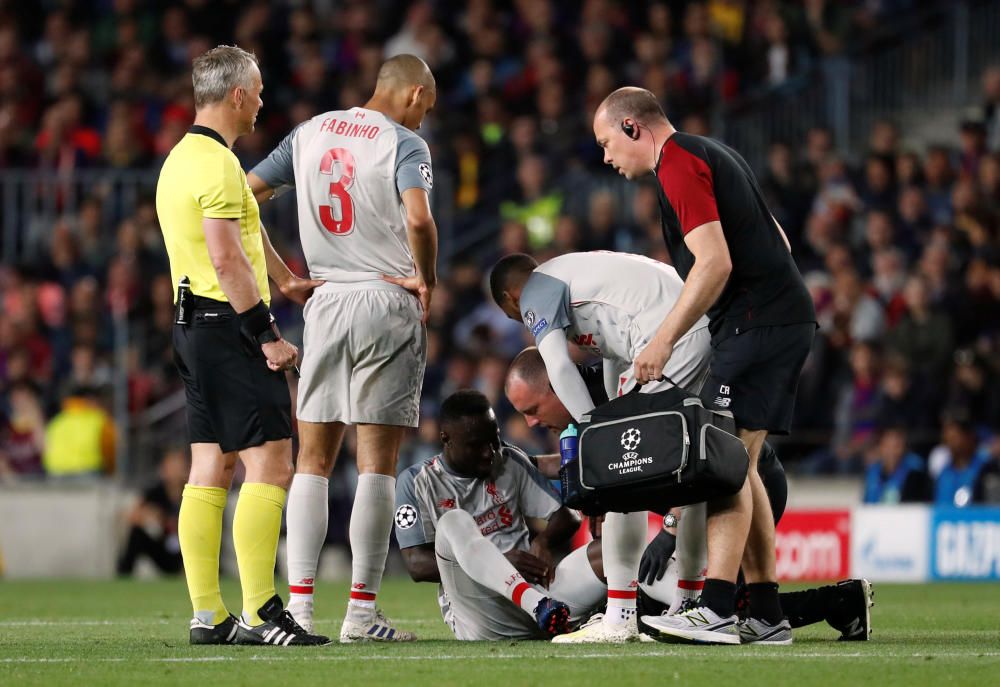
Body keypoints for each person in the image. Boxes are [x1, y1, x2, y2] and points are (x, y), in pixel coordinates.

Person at [591, 87, 817, 644]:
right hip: (772, 320)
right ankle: (764, 613)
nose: (606, 157)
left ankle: (716, 608)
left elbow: (714, 262)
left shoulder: (679, 164)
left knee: (722, 460)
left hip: (755, 325)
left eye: (606, 143)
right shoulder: (712, 151)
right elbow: (777, 238)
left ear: (633, 127)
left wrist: (663, 340)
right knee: (745, 463)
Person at [247, 54, 438, 642]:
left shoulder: (310, 132)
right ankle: (360, 614)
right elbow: (420, 219)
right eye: (426, 106)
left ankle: (300, 611)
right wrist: (425, 276)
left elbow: (245, 195)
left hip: (324, 302)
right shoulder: (404, 143)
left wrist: (282, 276)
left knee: (313, 461)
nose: (425, 118)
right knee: (376, 464)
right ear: (411, 93)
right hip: (385, 297)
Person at [504, 348, 874, 642]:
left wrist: (669, 529)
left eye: (533, 409)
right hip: (720, 490)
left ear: (557, 384)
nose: (531, 423)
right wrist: (522, 462)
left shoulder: (619, 389)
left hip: (739, 488)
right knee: (679, 605)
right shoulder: (595, 408)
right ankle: (840, 603)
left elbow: (693, 453)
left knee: (695, 606)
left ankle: (836, 602)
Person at [155, 45, 327, 646]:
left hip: (191, 327)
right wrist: (268, 337)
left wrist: (285, 281)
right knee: (272, 462)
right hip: (229, 327)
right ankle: (262, 613)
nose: (261, 100)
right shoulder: (220, 166)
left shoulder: (183, 159)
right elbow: (227, 261)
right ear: (235, 95)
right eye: (257, 90)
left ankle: (209, 615)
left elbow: (242, 232)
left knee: (211, 464)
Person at [489, 250, 714, 642]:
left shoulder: (536, 289)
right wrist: (607, 413)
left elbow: (557, 366)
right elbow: (614, 350)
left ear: (511, 299)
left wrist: (593, 432)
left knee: (622, 471)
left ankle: (620, 614)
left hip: (667, 337)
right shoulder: (580, 279)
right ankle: (688, 605)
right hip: (687, 329)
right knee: (684, 473)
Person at [394, 389, 582, 640]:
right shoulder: (416, 482)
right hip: (479, 611)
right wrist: (502, 564)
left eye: (493, 441)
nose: (489, 453)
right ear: (445, 438)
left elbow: (566, 515)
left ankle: (622, 614)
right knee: (454, 519)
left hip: (541, 598)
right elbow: (416, 565)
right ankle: (537, 604)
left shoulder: (507, 460)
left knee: (609, 553)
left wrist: (543, 541)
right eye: (476, 445)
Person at [117, 448, 188, 576]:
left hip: (186, 551)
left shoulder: (191, 493)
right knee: (136, 533)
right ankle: (124, 575)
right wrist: (150, 516)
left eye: (178, 467)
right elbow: (131, 515)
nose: (175, 472)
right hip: (163, 547)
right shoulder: (154, 493)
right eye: (171, 467)